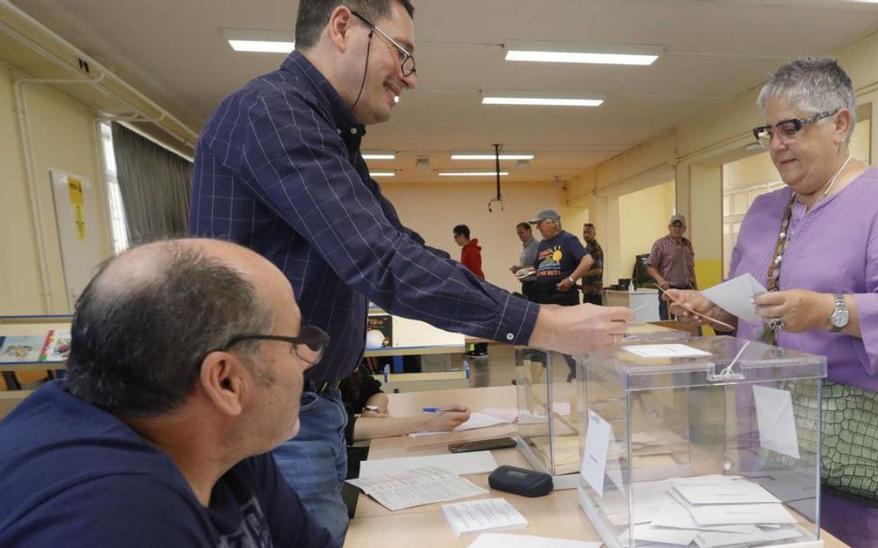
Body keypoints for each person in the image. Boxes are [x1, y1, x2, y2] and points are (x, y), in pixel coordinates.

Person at [187, 0, 631, 538]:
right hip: (269, 418)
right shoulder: (273, 114)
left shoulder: (325, 131)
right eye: (402, 53)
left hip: (307, 408)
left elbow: (397, 242)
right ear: (343, 25)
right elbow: (381, 260)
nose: (410, 77)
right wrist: (541, 323)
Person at [669, 56, 878, 548]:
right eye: (769, 132)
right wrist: (714, 309)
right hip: (763, 418)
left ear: (840, 123)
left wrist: (828, 311)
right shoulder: (763, 211)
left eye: (791, 128)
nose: (777, 145)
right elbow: (752, 303)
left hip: (847, 428)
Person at [0, 239, 332, 547]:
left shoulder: (224, 446)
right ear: (226, 382)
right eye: (296, 344)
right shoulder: (116, 518)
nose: (306, 362)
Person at [528, 208, 596, 382]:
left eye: (540, 224)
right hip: (543, 295)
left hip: (563, 295)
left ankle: (579, 372)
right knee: (540, 335)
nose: (538, 229)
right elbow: (538, 268)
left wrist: (571, 279)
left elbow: (588, 260)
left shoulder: (568, 240)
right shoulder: (542, 245)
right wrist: (525, 274)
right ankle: (533, 376)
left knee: (568, 335)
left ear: (552, 223)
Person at [339, 360, 469, 443]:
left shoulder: (345, 361)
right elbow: (342, 429)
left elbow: (375, 392)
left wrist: (372, 411)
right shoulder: (321, 374)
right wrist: (428, 422)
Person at [646, 214, 697, 320]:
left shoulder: (687, 244)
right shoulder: (660, 244)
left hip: (686, 291)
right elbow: (650, 266)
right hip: (668, 290)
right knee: (667, 325)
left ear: (684, 229)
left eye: (680, 226)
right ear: (669, 227)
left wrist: (696, 288)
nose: (677, 229)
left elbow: (691, 268)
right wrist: (660, 280)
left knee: (688, 324)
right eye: (674, 226)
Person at [453, 224, 489, 356]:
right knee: (471, 321)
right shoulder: (466, 249)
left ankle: (481, 349)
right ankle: (473, 348)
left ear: (462, 235)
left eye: (456, 236)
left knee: (478, 320)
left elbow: (476, 272)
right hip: (469, 288)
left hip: (475, 289)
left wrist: (476, 290)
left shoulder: (472, 250)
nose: (455, 239)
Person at [511, 221, 540, 298]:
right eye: (518, 234)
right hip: (527, 285)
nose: (520, 236)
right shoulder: (526, 248)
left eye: (521, 232)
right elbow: (529, 267)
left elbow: (540, 268)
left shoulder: (536, 246)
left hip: (535, 286)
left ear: (529, 231)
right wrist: (519, 272)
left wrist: (520, 270)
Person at [581, 223, 605, 305]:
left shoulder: (595, 248)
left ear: (594, 234)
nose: (586, 235)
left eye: (589, 232)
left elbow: (598, 270)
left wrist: (581, 274)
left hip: (594, 292)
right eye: (584, 232)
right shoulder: (586, 248)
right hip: (587, 291)